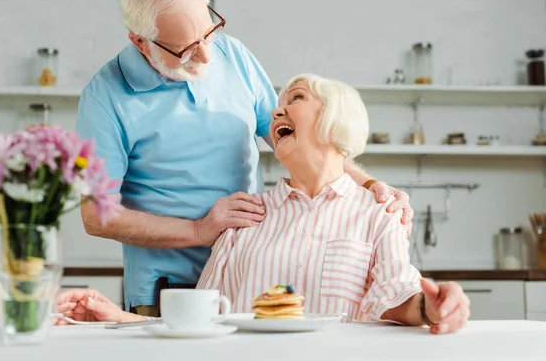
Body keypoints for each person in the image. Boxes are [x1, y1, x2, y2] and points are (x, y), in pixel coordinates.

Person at [75, 0, 414, 318]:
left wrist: (374, 186)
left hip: (248, 270)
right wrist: (199, 229)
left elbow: (304, 140)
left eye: (208, 34)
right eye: (186, 50)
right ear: (140, 42)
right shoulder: (104, 98)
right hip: (169, 287)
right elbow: (97, 216)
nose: (207, 55)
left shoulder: (232, 54)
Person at [58, 74, 469, 334]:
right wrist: (115, 317)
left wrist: (431, 307)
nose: (276, 109)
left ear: (335, 121)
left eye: (298, 97)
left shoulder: (378, 213)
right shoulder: (244, 216)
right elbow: (201, 324)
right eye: (278, 102)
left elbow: (396, 296)